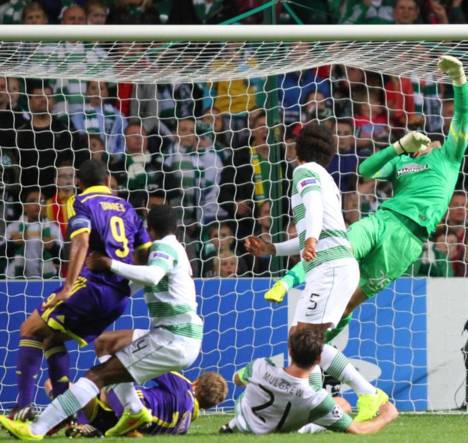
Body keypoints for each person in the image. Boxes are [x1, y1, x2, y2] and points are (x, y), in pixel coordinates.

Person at [262, 55, 468, 342]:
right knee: (337, 250)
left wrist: (459, 80)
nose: (423, 144)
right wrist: (398, 147)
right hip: (381, 221)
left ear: (437, 143)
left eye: (427, 141)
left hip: (406, 241)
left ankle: (318, 356)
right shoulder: (402, 163)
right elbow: (365, 169)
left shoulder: (448, 157)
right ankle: (286, 282)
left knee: (347, 303)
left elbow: (461, 117)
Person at [0, 205, 203, 439]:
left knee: (97, 376)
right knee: (109, 347)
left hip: (173, 337)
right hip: (176, 335)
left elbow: (152, 275)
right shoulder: (176, 248)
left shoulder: (163, 247)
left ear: (150, 229)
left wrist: (109, 264)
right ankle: (135, 411)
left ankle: (36, 429)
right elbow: (134, 285)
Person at [245, 122, 389, 422]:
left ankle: (363, 395)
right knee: (306, 340)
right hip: (333, 263)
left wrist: (310, 239)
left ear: (299, 148)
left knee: (304, 337)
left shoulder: (304, 171)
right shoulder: (325, 177)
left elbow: (311, 211)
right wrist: (273, 250)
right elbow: (310, 230)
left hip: (332, 265)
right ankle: (327, 400)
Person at [7, 159, 151, 423]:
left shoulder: (81, 202)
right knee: (53, 339)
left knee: (29, 329)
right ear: (108, 182)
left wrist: (69, 286)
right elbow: (145, 254)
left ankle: (23, 406)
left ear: (79, 184)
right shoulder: (128, 207)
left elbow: (82, 241)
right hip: (119, 297)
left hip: (91, 287)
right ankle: (71, 418)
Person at [221, 328, 398, 435]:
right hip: (289, 424)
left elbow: (237, 379)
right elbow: (358, 430)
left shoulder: (259, 366)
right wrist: (386, 416)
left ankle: (234, 423)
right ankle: (370, 394)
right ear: (318, 360)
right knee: (342, 405)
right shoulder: (317, 398)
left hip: (244, 422)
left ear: (289, 350)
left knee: (341, 404)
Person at [58, 329, 227, 437]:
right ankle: (88, 427)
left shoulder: (183, 386)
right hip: (120, 425)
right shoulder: (184, 427)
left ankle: (78, 422)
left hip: (126, 408)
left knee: (102, 381)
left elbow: (156, 366)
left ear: (196, 382)